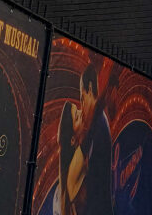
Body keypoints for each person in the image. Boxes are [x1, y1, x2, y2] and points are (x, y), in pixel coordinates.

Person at [77, 64, 114, 215]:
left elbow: (97, 185)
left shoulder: (100, 124)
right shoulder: (97, 123)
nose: (82, 105)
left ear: (90, 89)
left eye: (82, 97)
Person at [56, 102, 86, 215]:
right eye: (77, 117)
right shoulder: (76, 162)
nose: (81, 112)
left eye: (78, 110)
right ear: (72, 140)